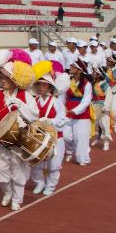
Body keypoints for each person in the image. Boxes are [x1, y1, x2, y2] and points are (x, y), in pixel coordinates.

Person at [0, 51, 39, 211]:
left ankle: (17, 199)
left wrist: (20, 105)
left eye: (5, 77)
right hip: (1, 139)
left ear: (14, 78)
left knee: (19, 172)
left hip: (19, 139)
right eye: (0, 77)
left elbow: (34, 115)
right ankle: (7, 192)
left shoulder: (25, 95)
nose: (2, 80)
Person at [28, 61, 68, 197]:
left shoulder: (57, 102)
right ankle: (39, 182)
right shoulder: (35, 101)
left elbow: (63, 120)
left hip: (55, 138)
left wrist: (50, 121)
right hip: (39, 137)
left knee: (53, 165)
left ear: (50, 87)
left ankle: (50, 185)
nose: (41, 87)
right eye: (39, 84)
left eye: (44, 84)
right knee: (35, 162)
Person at [63, 61, 93, 166]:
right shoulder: (68, 81)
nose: (70, 67)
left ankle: (83, 158)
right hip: (68, 113)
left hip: (82, 115)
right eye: (71, 65)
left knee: (80, 138)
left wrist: (75, 110)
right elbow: (63, 96)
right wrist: (62, 108)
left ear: (79, 70)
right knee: (66, 136)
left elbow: (86, 101)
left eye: (73, 66)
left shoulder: (87, 84)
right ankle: (71, 150)